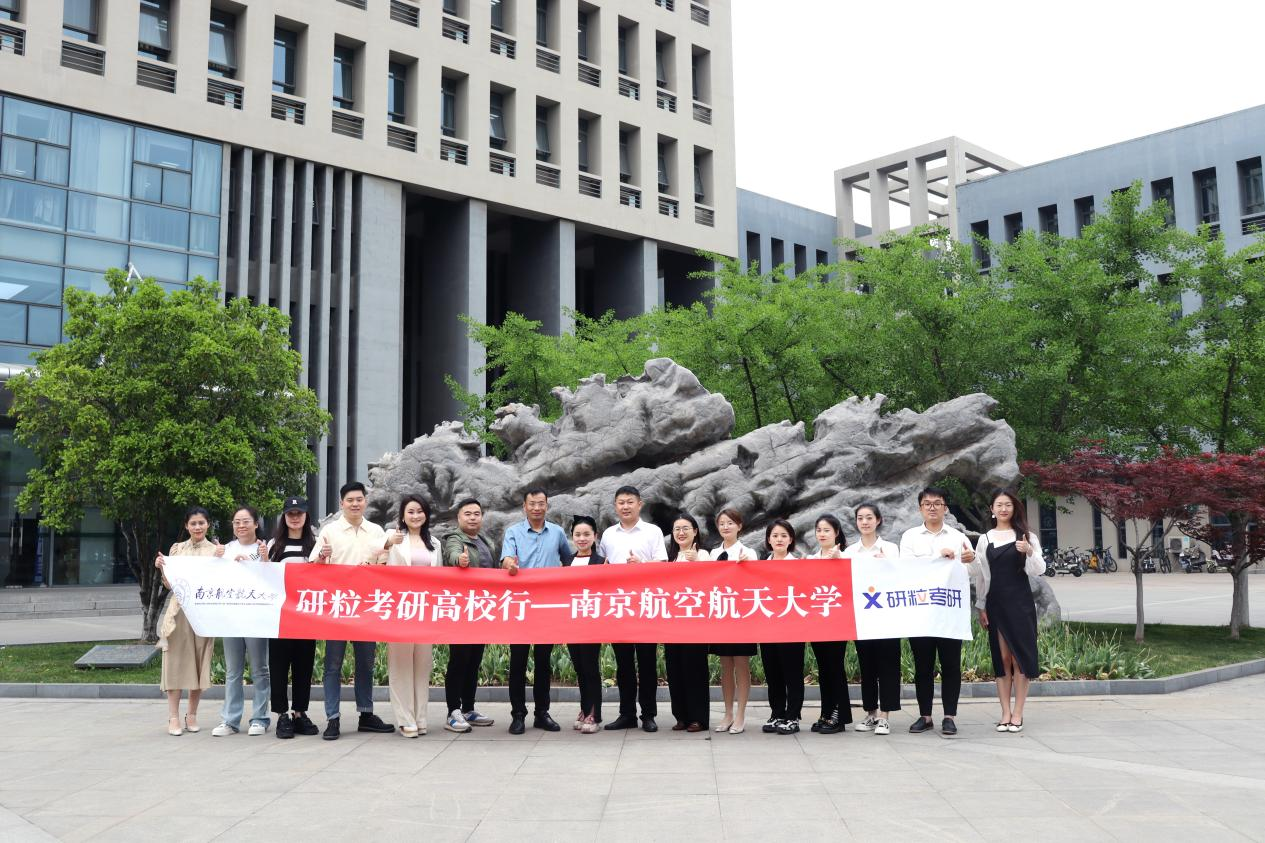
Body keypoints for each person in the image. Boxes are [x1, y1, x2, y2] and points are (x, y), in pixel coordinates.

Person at [311, 480, 395, 740]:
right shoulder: (330, 531)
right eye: (350, 500)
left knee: (366, 664)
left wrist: (373, 566)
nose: (355, 504)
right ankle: (332, 718)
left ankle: (366, 714)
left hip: (367, 607)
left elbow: (386, 567)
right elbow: (312, 567)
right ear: (341, 503)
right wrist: (323, 557)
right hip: (338, 608)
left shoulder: (377, 531)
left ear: (365, 502)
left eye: (359, 499)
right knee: (333, 665)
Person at [899, 486, 976, 736]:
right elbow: (906, 569)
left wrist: (969, 559)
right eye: (927, 503)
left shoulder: (957, 536)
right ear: (920, 508)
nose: (932, 507)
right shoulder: (910, 537)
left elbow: (971, 572)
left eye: (937, 503)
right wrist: (937, 556)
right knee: (923, 666)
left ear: (945, 508)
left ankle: (950, 716)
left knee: (951, 665)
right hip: (920, 612)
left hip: (948, 612)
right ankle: (925, 715)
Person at [501, 487, 574, 734]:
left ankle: (542, 713)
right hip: (521, 605)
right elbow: (506, 560)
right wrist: (510, 565)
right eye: (532, 504)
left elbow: (569, 561)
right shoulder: (513, 532)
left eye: (541, 503)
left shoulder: (557, 532)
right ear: (524, 506)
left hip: (547, 606)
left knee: (543, 662)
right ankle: (518, 714)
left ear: (547, 505)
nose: (536, 508)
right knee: (518, 662)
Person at [972, 490, 1045, 734]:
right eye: (999, 505)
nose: (1003, 509)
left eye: (1008, 505)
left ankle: (1018, 713)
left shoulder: (1026, 536)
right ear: (991, 509)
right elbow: (983, 576)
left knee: (1019, 658)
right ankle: (1004, 713)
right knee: (1002, 660)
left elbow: (1038, 570)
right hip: (996, 604)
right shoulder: (985, 539)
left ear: (1014, 508)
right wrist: (981, 605)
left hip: (1020, 604)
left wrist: (1029, 552)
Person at [597, 485, 668, 733]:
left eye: (630, 502)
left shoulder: (653, 531)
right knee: (623, 663)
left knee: (647, 662)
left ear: (640, 504)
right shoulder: (608, 534)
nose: (625, 506)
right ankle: (626, 713)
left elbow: (663, 566)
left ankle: (648, 714)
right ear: (615, 506)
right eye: (621, 502)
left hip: (646, 604)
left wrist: (642, 564)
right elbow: (600, 565)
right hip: (619, 606)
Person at [154, 506, 223, 735]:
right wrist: (163, 569)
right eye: (193, 523)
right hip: (179, 612)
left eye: (201, 523)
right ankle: (173, 717)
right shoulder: (177, 550)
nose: (197, 527)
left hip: (203, 613)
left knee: (199, 662)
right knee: (174, 663)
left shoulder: (216, 551)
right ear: (186, 526)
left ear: (208, 525)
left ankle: (191, 715)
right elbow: (170, 584)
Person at [381, 494, 442, 737]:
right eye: (410, 512)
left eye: (419, 511)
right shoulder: (393, 537)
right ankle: (405, 719)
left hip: (425, 609)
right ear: (403, 516)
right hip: (400, 608)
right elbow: (374, 561)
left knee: (422, 665)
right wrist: (387, 544)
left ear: (425, 514)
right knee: (400, 665)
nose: (415, 516)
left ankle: (421, 717)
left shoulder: (434, 543)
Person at [212, 505, 273, 737]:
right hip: (231, 617)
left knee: (259, 669)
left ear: (256, 524)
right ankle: (230, 720)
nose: (241, 525)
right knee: (233, 670)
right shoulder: (225, 549)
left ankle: (260, 718)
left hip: (256, 617)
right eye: (237, 522)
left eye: (246, 521)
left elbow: (273, 579)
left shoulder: (265, 548)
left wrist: (264, 561)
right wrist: (218, 560)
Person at [440, 497, 498, 733]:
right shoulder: (454, 538)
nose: (473, 517)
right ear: (459, 518)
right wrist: (459, 560)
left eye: (476, 513)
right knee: (459, 661)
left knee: (474, 660)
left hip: (481, 609)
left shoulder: (485, 540)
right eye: (468, 514)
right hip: (462, 609)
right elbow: (453, 554)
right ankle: (453, 711)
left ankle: (469, 709)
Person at [845, 503, 901, 736]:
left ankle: (885, 716)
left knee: (888, 665)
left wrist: (887, 563)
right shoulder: (849, 552)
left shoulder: (891, 549)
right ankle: (870, 713)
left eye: (869, 517)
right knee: (866, 666)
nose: (865, 522)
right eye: (860, 518)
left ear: (878, 520)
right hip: (863, 617)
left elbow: (902, 577)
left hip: (886, 616)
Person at [268, 497, 320, 739]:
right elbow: (264, 577)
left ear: (306, 516)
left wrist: (324, 560)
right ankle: (281, 715)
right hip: (280, 617)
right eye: (291, 513)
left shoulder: (316, 544)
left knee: (303, 667)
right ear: (284, 517)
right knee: (279, 668)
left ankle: (300, 713)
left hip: (307, 618)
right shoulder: (273, 545)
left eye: (299, 513)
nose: (295, 517)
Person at [710, 507, 757, 734]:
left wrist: (747, 565)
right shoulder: (712, 554)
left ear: (739, 526)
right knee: (725, 665)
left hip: (742, 617)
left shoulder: (749, 552)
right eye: (722, 523)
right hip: (721, 616)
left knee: (741, 664)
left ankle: (741, 714)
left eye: (730, 523)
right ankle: (728, 713)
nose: (725, 527)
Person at [664, 514, 711, 733]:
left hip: (695, 622)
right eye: (676, 530)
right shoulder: (670, 557)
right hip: (672, 622)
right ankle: (681, 716)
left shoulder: (703, 554)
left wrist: (697, 563)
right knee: (675, 670)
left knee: (695, 670)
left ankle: (698, 718)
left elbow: (712, 581)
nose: (681, 533)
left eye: (685, 528)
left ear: (695, 531)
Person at [760, 519, 806, 735]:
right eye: (775, 535)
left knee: (792, 674)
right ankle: (777, 713)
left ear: (791, 540)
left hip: (792, 628)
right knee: (773, 673)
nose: (779, 539)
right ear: (769, 540)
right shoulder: (759, 566)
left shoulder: (799, 565)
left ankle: (793, 716)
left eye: (783, 536)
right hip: (767, 628)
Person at [808, 514, 852, 735]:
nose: (822, 534)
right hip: (817, 622)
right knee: (823, 669)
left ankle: (839, 715)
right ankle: (826, 712)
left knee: (835, 668)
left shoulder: (845, 558)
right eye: (819, 530)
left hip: (837, 621)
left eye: (826, 530)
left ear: (836, 533)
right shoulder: (810, 560)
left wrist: (839, 561)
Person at [565, 515, 605, 734]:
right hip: (572, 623)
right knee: (579, 669)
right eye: (578, 535)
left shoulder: (601, 562)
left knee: (591, 669)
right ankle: (583, 709)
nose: (582, 538)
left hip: (592, 623)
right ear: (572, 537)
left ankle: (594, 714)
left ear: (594, 536)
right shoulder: (566, 562)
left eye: (586, 534)